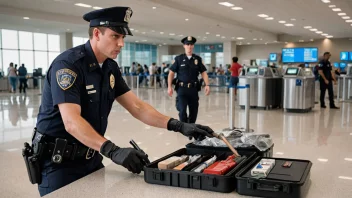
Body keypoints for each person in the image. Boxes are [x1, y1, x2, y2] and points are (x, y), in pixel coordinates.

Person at [28, 7, 214, 196]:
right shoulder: (69, 65)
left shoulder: (110, 67)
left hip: (91, 156)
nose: (121, 43)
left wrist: (178, 125)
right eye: (115, 36)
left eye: (123, 37)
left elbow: (137, 107)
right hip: (59, 164)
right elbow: (71, 122)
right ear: (96, 34)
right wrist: (113, 150)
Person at [167, 36, 210, 123]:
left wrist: (207, 85)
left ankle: (191, 128)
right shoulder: (178, 59)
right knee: (182, 110)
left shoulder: (197, 59)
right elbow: (171, 73)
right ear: (184, 46)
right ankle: (184, 127)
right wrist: (169, 86)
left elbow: (203, 72)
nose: (189, 46)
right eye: (187, 44)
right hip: (182, 89)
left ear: (193, 46)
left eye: (191, 44)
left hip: (193, 89)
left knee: (193, 111)